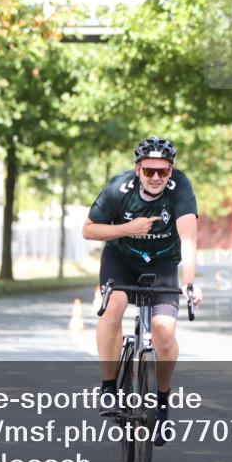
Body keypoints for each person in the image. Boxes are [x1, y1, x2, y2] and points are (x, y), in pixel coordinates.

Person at [82, 136, 202, 445]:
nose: (156, 178)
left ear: (171, 172)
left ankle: (161, 403)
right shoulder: (118, 189)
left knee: (163, 331)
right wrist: (127, 228)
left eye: (163, 171)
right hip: (120, 260)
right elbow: (89, 229)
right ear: (138, 170)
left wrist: (189, 281)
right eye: (149, 171)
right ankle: (109, 387)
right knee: (112, 311)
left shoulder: (180, 188)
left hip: (162, 264)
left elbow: (188, 236)